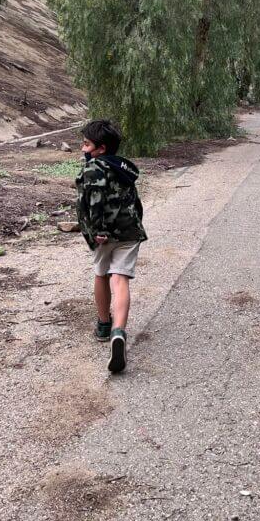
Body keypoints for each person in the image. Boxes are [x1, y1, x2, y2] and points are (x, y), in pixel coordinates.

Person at [75, 119, 147, 374]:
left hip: (105, 233)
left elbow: (93, 200)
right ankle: (119, 331)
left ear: (101, 148)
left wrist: (98, 230)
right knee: (121, 279)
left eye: (86, 144)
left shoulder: (94, 167)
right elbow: (135, 201)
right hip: (130, 230)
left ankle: (104, 325)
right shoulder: (123, 166)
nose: (83, 149)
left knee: (101, 274)